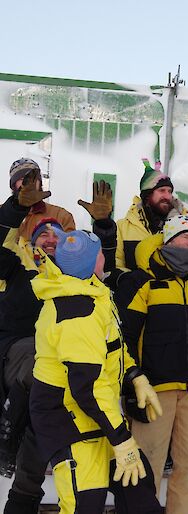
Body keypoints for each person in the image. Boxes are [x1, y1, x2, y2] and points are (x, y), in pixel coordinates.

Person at [0, 173, 113, 513]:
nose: (49, 241)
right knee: (37, 363)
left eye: (56, 237)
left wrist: (104, 225)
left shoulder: (74, 277)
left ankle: (22, 485)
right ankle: (8, 433)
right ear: (29, 244)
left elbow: (105, 264)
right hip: (20, 347)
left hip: (56, 381)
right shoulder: (15, 268)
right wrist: (14, 212)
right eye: (41, 236)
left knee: (37, 445)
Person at [29, 230, 163, 514]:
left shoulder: (93, 291)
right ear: (93, 263)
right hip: (70, 422)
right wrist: (121, 440)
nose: (106, 258)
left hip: (97, 418)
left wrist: (133, 374)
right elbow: (86, 388)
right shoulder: (76, 311)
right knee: (84, 506)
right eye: (102, 252)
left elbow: (111, 348)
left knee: (140, 490)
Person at [120, 215, 188, 514]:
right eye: (185, 237)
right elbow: (126, 337)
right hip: (153, 390)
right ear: (169, 240)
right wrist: (131, 383)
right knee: (147, 465)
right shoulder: (145, 281)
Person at [116, 157, 185, 274]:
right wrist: (132, 281)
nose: (168, 196)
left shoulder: (184, 224)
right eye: (162, 190)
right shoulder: (123, 227)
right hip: (136, 290)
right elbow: (116, 264)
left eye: (170, 191)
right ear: (147, 196)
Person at [6, 158, 75, 240]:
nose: (27, 182)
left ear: (40, 183)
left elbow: (72, 249)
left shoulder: (61, 216)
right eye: (22, 179)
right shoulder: (3, 214)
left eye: (33, 178)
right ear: (13, 185)